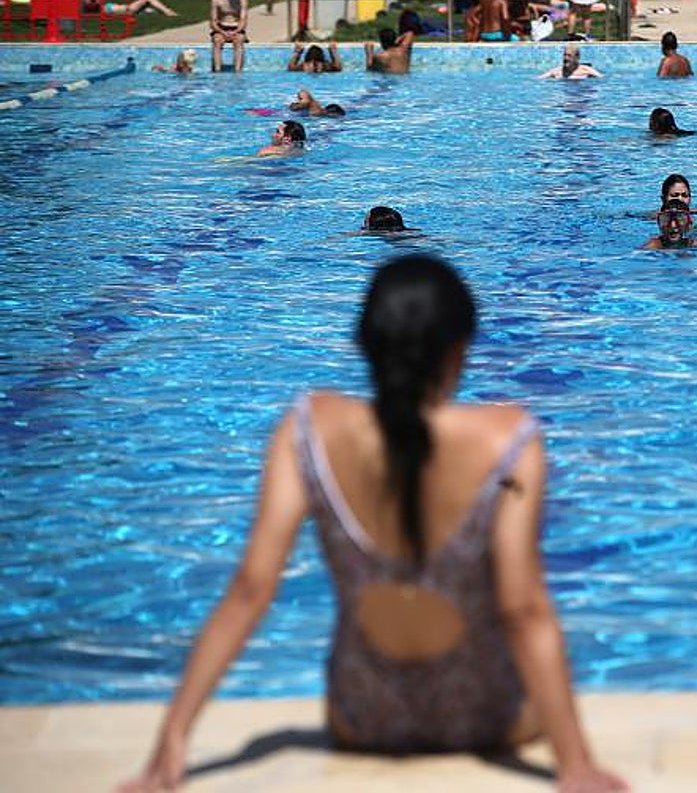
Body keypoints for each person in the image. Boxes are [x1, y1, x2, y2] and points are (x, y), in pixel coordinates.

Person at [118, 255, 628, 793]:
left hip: (362, 719)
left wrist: (171, 743)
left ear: (365, 345)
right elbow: (522, 611)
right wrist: (575, 765)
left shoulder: (306, 431)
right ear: (460, 348)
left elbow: (251, 589)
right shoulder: (509, 439)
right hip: (482, 717)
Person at [210, 0, 248, 73]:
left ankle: (237, 71)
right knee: (217, 40)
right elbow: (213, 22)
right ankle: (217, 71)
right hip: (221, 28)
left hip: (236, 28)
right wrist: (223, 32)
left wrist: (235, 32)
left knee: (239, 40)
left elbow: (243, 21)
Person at [538, 43, 603, 78]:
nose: (566, 58)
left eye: (569, 55)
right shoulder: (557, 71)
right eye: (564, 55)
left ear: (577, 57)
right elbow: (538, 79)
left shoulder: (587, 70)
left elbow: (602, 78)